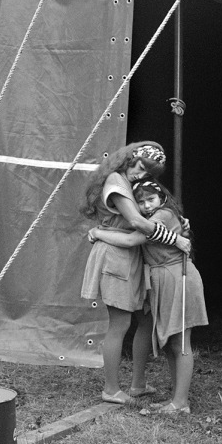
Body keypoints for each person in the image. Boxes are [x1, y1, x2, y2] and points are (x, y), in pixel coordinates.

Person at [80, 141, 189, 405]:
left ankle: (138, 384)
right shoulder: (116, 181)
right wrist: (175, 238)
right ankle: (111, 389)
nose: (141, 175)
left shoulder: (128, 182)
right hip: (116, 255)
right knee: (119, 324)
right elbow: (137, 222)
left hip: (131, 256)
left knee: (145, 321)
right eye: (140, 167)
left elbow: (149, 218)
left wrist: (176, 221)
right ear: (129, 158)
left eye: (147, 173)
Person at [89, 177, 207, 415]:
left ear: (162, 197)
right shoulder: (155, 217)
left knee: (180, 342)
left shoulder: (162, 215)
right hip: (163, 278)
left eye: (150, 199)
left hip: (177, 276)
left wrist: (98, 232)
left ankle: (181, 403)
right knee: (171, 342)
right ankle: (177, 399)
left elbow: (132, 239)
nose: (146, 206)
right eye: (140, 203)